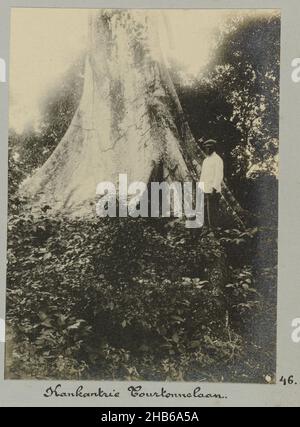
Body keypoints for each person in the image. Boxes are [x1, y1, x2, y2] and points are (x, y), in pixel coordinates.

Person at [200, 139, 224, 229]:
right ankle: (206, 228)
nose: (207, 150)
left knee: (213, 211)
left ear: (213, 148)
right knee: (205, 210)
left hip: (213, 190)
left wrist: (214, 189)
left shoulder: (218, 160)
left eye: (209, 148)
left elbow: (219, 175)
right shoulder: (206, 160)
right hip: (205, 189)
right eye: (206, 148)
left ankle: (213, 229)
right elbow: (203, 175)